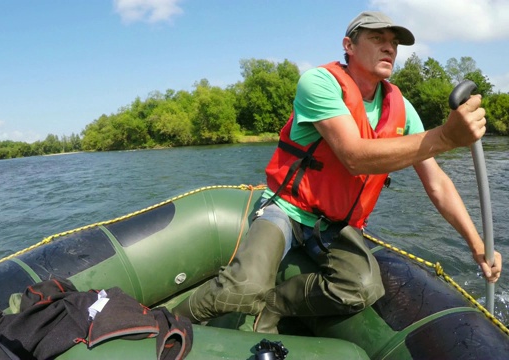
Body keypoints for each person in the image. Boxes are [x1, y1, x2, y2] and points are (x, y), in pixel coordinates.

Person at [172, 11, 503, 334]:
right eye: (378, 38)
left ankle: (274, 304)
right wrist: (445, 137)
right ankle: (165, 321)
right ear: (349, 45)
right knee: (243, 287)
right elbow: (354, 156)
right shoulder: (318, 83)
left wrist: (475, 243)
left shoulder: (401, 107)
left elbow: (437, 184)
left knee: (360, 287)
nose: (390, 48)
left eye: (394, 43)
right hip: (288, 209)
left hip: (337, 225)